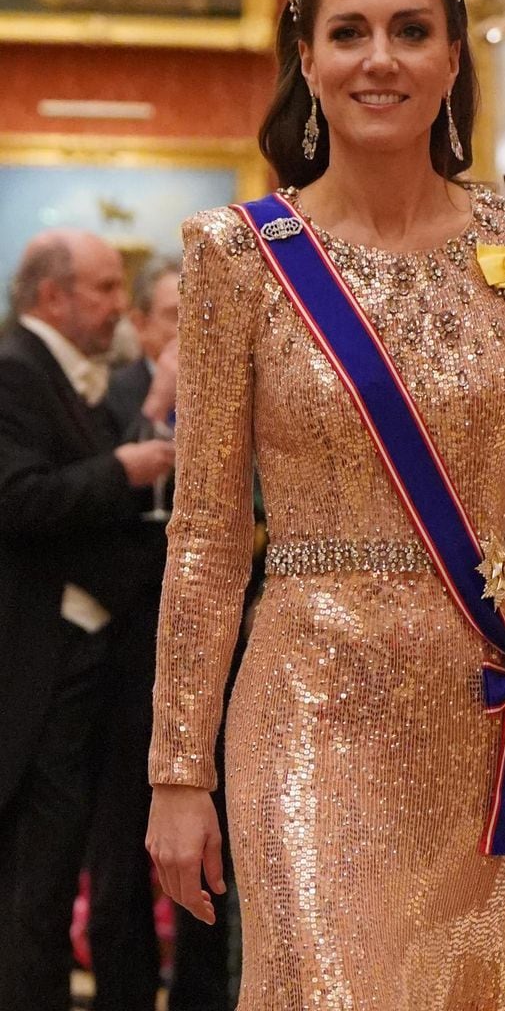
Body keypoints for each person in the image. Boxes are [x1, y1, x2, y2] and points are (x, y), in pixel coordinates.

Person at [146, 0, 505, 1010]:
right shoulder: (239, 257)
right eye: (350, 32)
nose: (382, 60)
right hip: (302, 705)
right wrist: (176, 768)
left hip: (476, 710)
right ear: (309, 62)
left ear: (455, 57)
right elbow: (210, 532)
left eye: (411, 30)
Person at [0, 230, 175, 1011]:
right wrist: (122, 470)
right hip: (37, 665)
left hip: (84, 662)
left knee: (56, 870)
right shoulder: (14, 372)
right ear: (51, 297)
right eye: (104, 290)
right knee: (33, 886)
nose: (117, 308)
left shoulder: (72, 378)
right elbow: (21, 501)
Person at [87, 257, 181, 1011]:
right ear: (144, 325)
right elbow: (91, 513)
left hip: (229, 657)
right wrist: (159, 400)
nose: (191, 332)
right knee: (121, 849)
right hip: (125, 659)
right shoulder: (112, 395)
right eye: (177, 317)